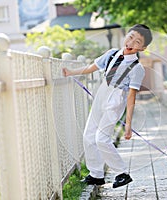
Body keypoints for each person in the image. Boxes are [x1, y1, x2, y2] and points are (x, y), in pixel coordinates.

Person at [62, 24, 152, 188]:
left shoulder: (137, 68)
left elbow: (131, 96)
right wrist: (71, 72)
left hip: (115, 101)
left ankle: (122, 173)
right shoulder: (111, 54)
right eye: (131, 37)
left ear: (143, 48)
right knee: (88, 136)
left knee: (101, 139)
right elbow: (91, 68)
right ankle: (96, 175)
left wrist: (129, 125)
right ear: (126, 35)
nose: (131, 42)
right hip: (101, 96)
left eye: (138, 42)